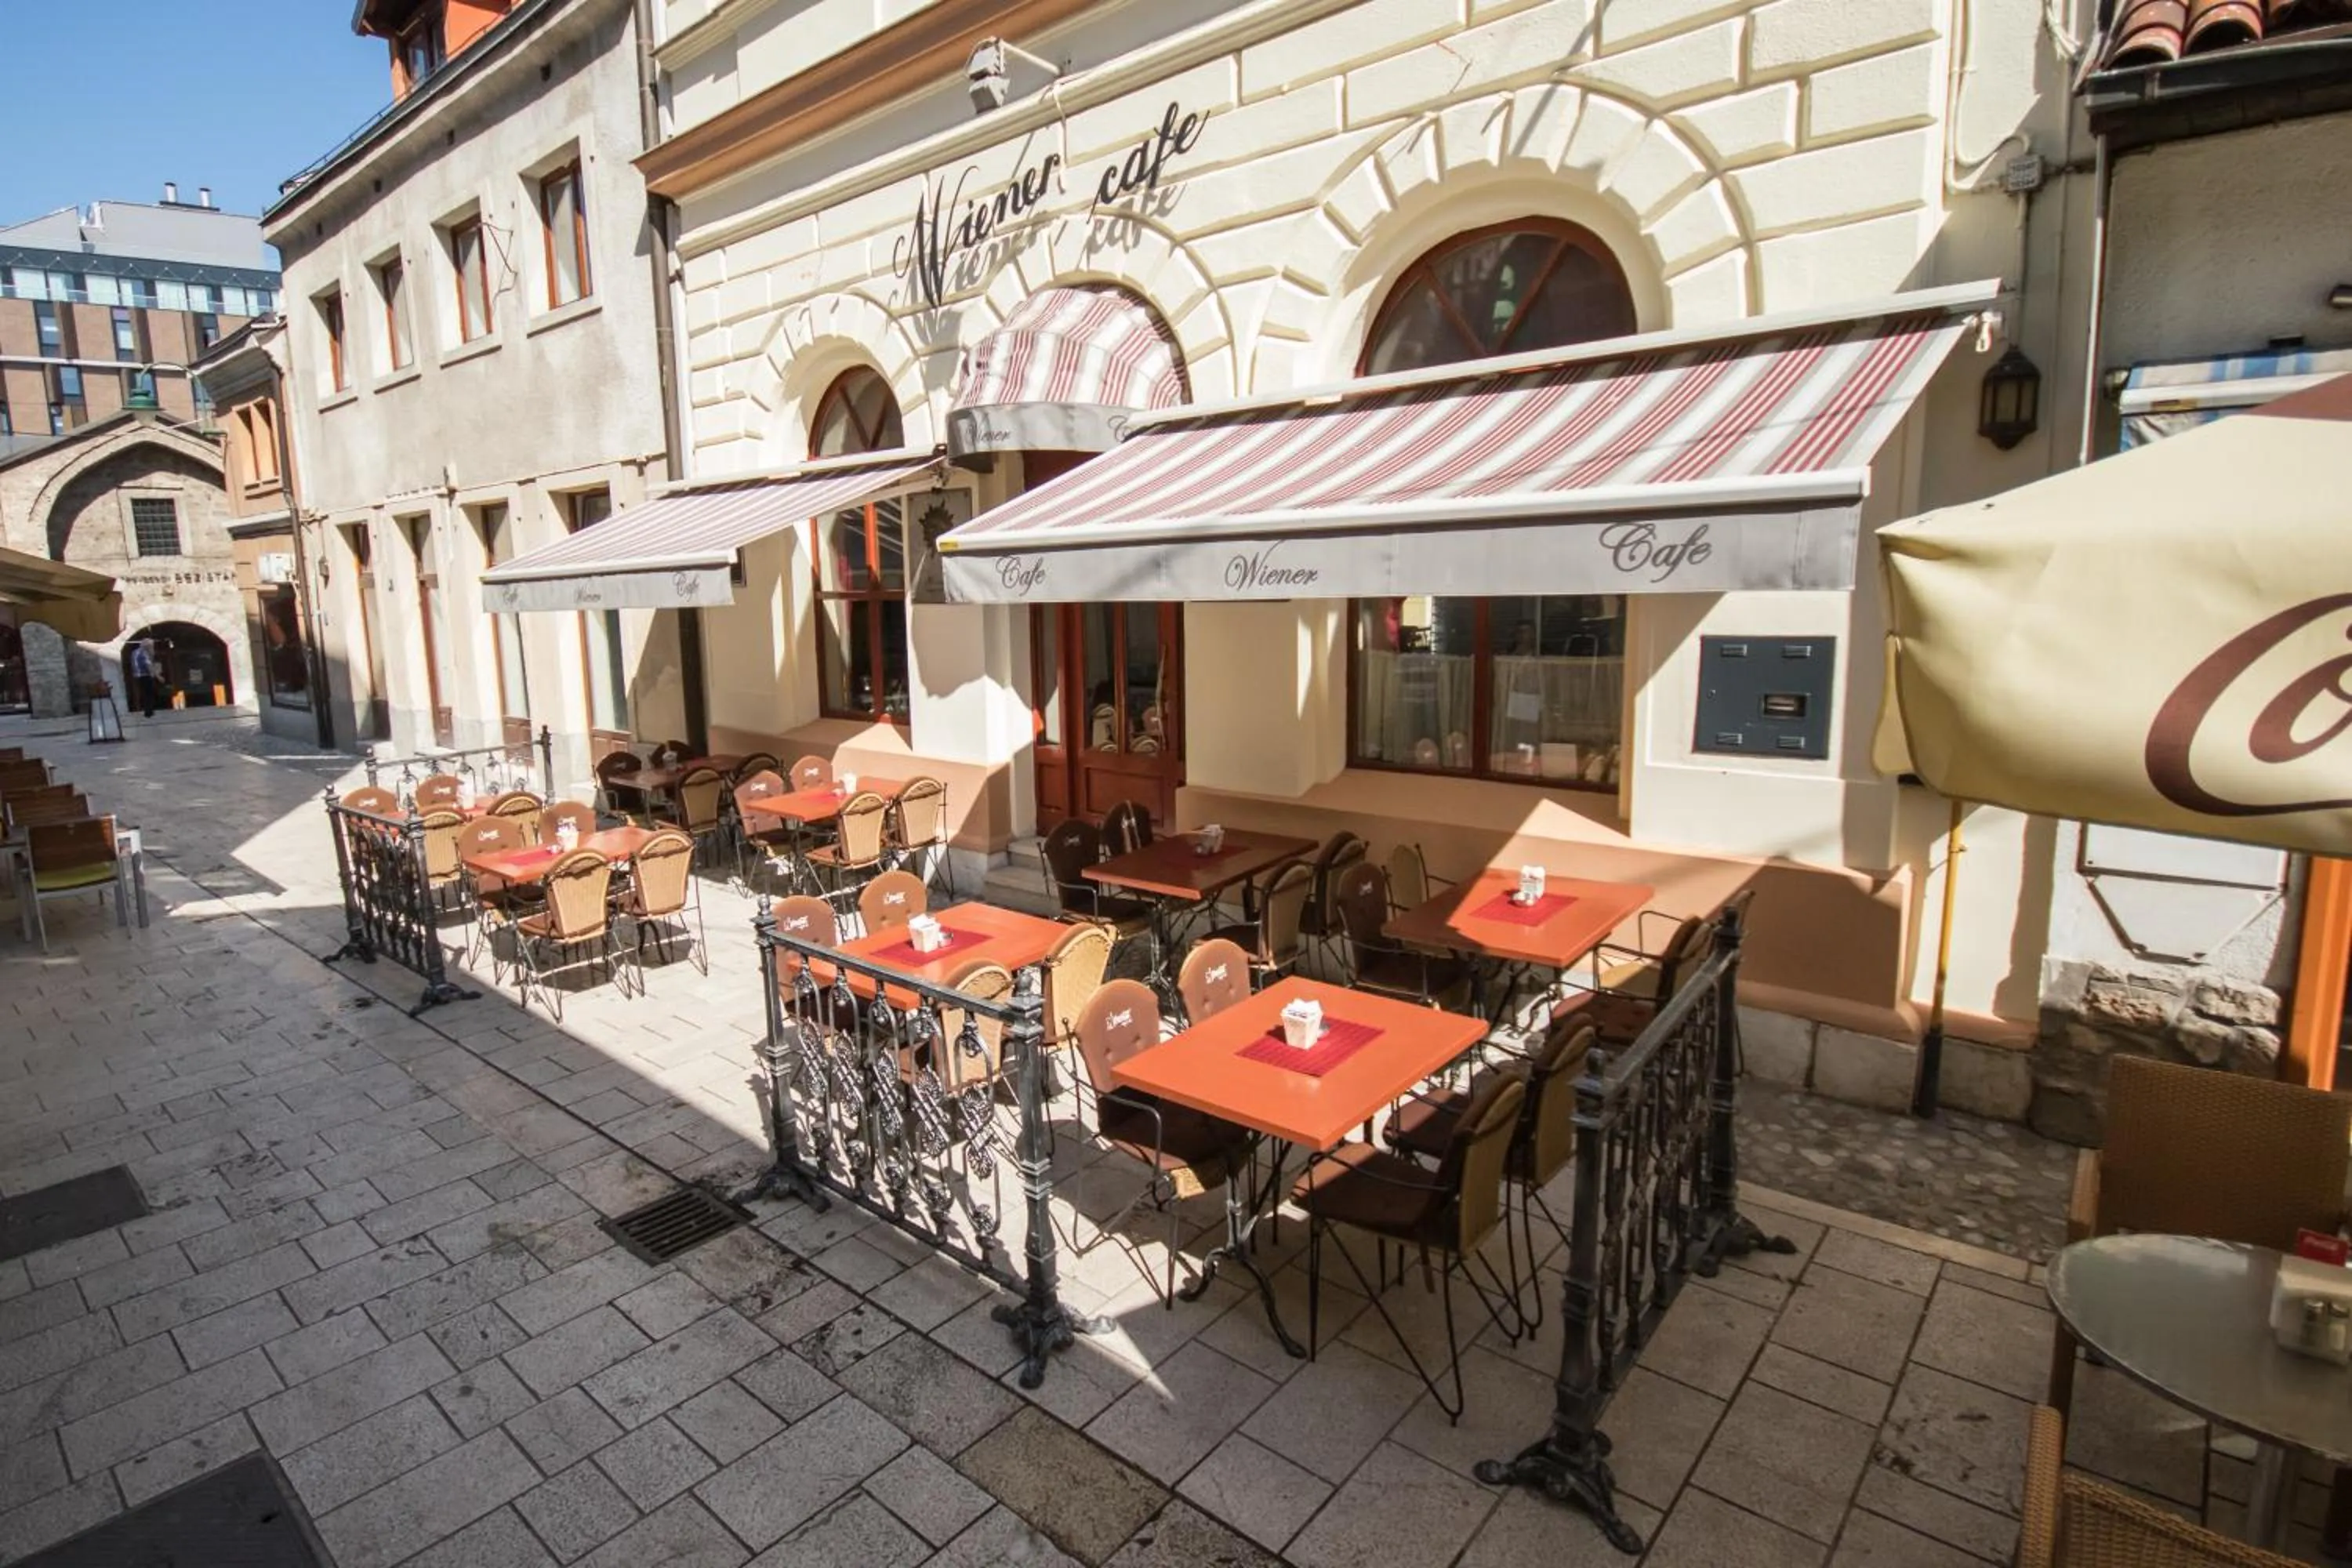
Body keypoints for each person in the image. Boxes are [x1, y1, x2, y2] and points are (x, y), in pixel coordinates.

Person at [126, 638, 158, 719]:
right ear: (147, 646)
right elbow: (148, 665)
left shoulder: (134, 652)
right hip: (145, 675)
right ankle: (149, 712)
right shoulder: (144, 653)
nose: (152, 647)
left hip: (137, 675)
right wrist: (158, 676)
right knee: (149, 693)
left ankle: (144, 709)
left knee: (144, 693)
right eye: (151, 646)